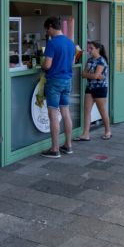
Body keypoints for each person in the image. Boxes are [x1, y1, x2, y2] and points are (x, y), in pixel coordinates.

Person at [41, 17, 76, 158]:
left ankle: (55, 149)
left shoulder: (52, 43)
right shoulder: (70, 42)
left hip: (54, 82)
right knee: (66, 114)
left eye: (47, 30)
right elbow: (72, 62)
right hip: (67, 81)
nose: (47, 33)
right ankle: (68, 145)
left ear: (50, 27)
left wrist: (42, 67)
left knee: (54, 115)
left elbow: (47, 65)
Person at [76, 41, 111, 141]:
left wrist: (92, 75)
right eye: (89, 48)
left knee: (102, 110)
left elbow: (94, 75)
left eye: (91, 48)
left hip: (100, 88)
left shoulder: (102, 61)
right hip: (90, 88)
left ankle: (108, 131)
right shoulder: (89, 60)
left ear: (97, 49)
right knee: (86, 110)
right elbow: (84, 75)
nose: (89, 50)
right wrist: (93, 76)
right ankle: (85, 134)